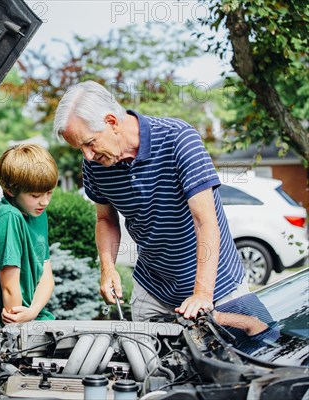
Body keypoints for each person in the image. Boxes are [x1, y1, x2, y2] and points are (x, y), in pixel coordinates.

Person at [53, 81, 247, 322]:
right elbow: (105, 219)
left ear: (112, 122)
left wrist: (202, 293)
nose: (87, 155)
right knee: (143, 359)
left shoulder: (178, 139)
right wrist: (108, 267)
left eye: (90, 142)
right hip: (153, 290)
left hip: (217, 288)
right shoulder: (95, 164)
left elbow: (205, 221)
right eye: (79, 148)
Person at [0, 144, 58, 327]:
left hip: (33, 320)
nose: (45, 201)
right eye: (35, 195)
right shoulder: (8, 218)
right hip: (9, 331)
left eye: (49, 192)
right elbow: (9, 288)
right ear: (11, 190)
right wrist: (21, 323)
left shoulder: (38, 214)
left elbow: (46, 276)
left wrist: (33, 311)